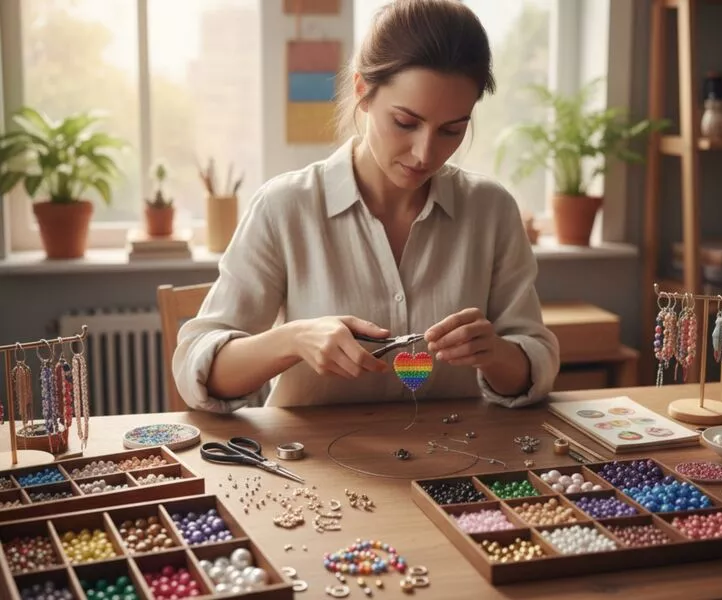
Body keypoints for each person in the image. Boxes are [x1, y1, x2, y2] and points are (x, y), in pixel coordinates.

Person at [174, 0, 559, 413]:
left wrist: (495, 352)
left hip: (454, 460)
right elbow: (199, 370)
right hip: (309, 468)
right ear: (362, 91)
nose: (425, 153)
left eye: (452, 130)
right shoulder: (284, 207)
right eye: (405, 123)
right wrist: (292, 340)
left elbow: (534, 364)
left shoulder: (491, 210)